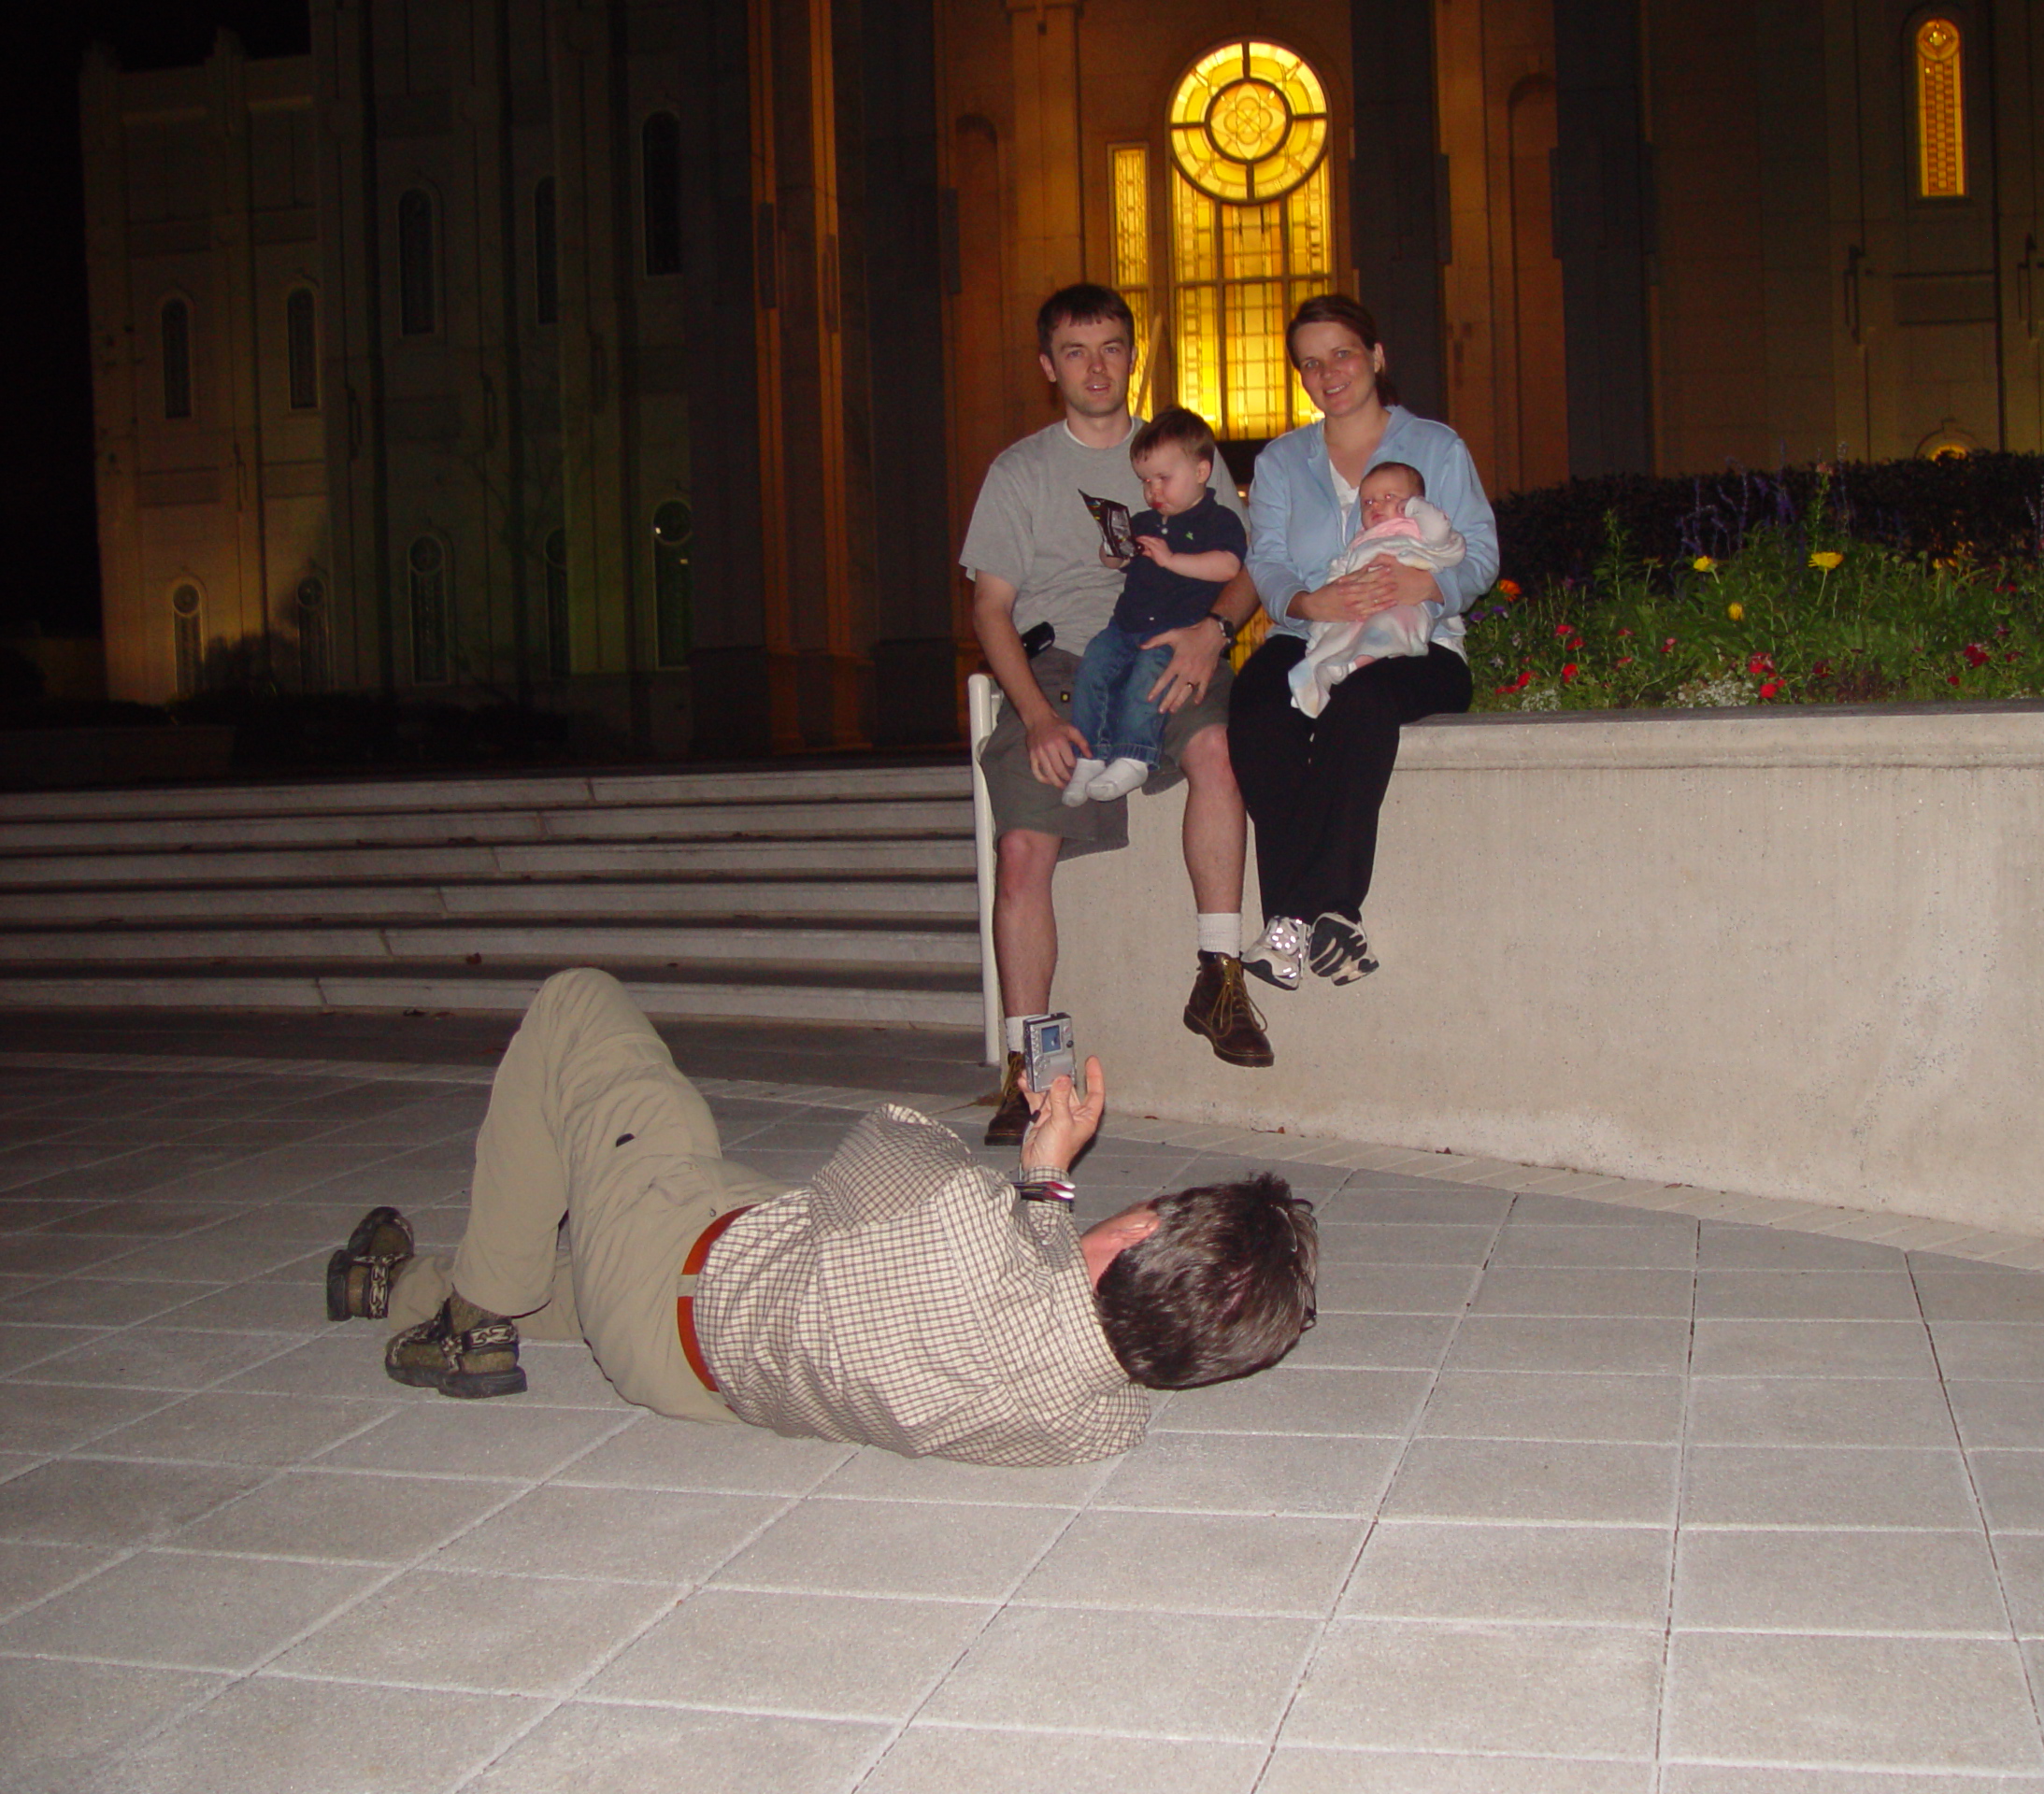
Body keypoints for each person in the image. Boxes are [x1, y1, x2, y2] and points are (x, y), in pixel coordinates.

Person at [323, 969, 1319, 1469]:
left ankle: (471, 1317)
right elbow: (1041, 1313)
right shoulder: (1101, 1425)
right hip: (707, 1379)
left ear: (1142, 1233)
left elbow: (880, 1144)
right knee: (592, 1268)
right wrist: (1045, 1229)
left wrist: (1040, 1178)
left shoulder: (965, 1229)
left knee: (593, 1028)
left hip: (687, 1272)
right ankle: (408, 1286)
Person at [963, 285, 1275, 1137]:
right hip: (1062, 668)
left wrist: (1215, 632)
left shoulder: (1179, 447)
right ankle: (1029, 1068)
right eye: (1075, 350)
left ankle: (1219, 980)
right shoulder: (1021, 471)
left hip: (1174, 646)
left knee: (1219, 755)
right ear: (1047, 365)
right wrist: (1034, 715)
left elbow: (1244, 566)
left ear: (1133, 354)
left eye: (1111, 347)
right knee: (1024, 847)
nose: (1096, 366)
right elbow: (991, 607)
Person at [1231, 295, 1500, 991]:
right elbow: (1266, 560)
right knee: (1258, 708)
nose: (1329, 373)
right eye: (1311, 364)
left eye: (1342, 354)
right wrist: (1306, 600)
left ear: (1376, 357)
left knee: (1363, 701)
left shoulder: (1436, 448)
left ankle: (1299, 914)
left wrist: (1428, 586)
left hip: (1419, 644)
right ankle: (1331, 924)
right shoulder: (1282, 462)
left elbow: (1481, 556)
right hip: (1312, 634)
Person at [1063, 407, 1249, 807]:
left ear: (1201, 472)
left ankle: (1134, 753)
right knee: (1094, 663)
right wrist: (1114, 552)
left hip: (1177, 628)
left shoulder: (1220, 521)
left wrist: (1172, 560)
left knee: (1149, 677)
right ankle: (1089, 756)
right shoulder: (1145, 521)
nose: (1153, 491)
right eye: (1146, 481)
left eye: (1164, 479)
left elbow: (1229, 565)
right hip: (1126, 624)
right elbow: (1124, 561)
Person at [1287, 460, 1467, 719]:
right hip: (1360, 607)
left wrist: (1415, 507)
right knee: (1334, 633)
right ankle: (1318, 669)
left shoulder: (1418, 531)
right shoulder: (1361, 540)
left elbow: (1443, 535)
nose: (1376, 506)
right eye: (1368, 502)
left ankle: (1351, 665)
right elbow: (1341, 568)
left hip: (1406, 603)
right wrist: (1337, 592)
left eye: (1388, 497)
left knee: (1390, 627)